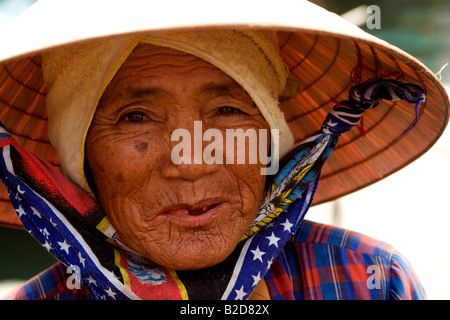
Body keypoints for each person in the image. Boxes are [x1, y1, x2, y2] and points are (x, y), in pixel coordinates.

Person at [0, 0, 448, 300]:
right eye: (136, 116)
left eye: (228, 110)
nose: (193, 161)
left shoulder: (367, 280)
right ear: (83, 158)